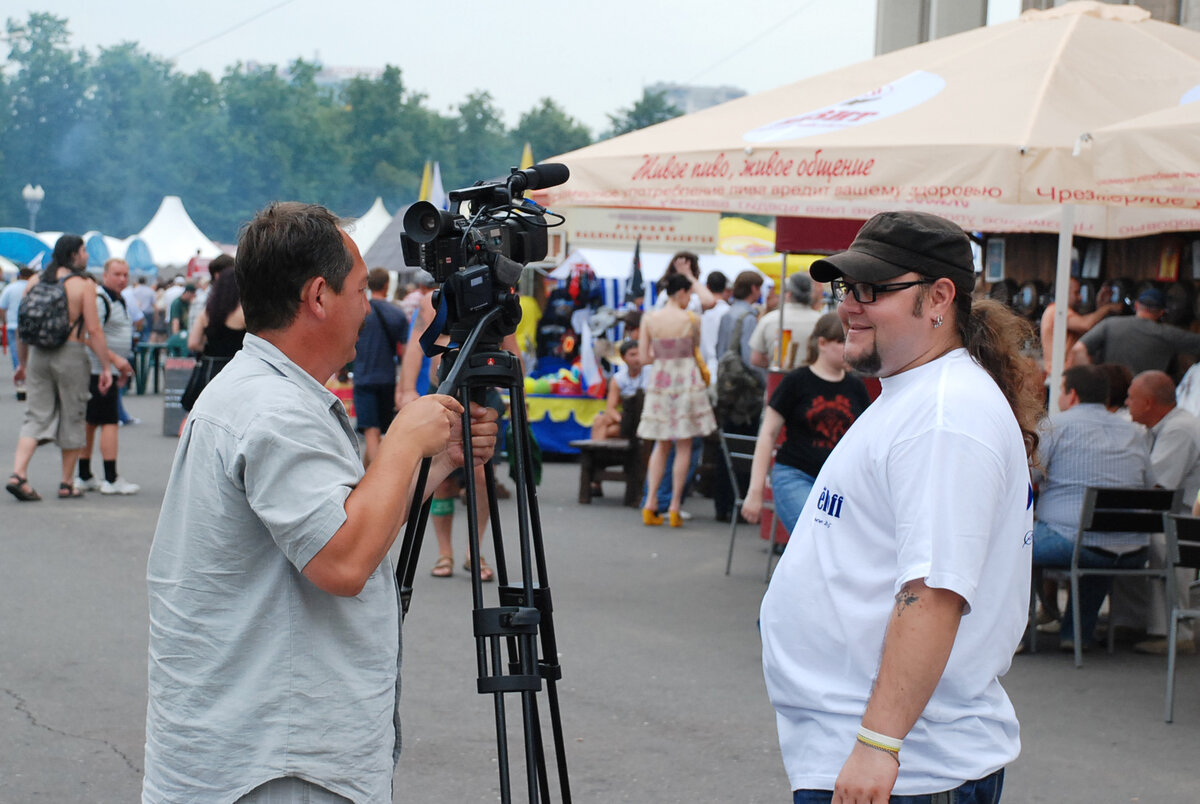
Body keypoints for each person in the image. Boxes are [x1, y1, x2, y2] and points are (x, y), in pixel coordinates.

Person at [143, 202, 497, 802]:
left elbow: (338, 521)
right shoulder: (277, 411)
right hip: (279, 765)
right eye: (360, 290)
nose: (367, 307)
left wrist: (433, 463)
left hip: (253, 749)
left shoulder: (261, 391)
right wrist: (404, 439)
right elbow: (341, 562)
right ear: (318, 296)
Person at [760, 211, 1042, 802]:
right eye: (846, 289)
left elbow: (934, 592)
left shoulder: (945, 414)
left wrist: (879, 744)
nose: (850, 306)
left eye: (874, 290)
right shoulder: (921, 394)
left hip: (909, 768)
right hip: (885, 755)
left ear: (939, 297)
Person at [1032, 364, 1152, 650]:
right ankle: (1075, 636)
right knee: (1097, 542)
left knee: (1011, 545)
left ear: (1071, 395)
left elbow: (1028, 477)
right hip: (1131, 548)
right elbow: (1151, 486)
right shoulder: (1134, 432)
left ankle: (1012, 635)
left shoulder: (1055, 427)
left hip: (1072, 541)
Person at [741, 313, 870, 537]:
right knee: (813, 537)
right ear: (821, 343)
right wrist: (755, 491)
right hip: (795, 475)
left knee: (837, 542)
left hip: (838, 483)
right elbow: (768, 434)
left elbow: (864, 441)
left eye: (850, 339)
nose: (847, 346)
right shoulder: (796, 381)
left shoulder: (856, 387)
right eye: (841, 341)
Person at [7, 235, 112, 502]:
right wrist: (107, 367)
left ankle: (18, 474)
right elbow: (94, 329)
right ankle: (67, 483)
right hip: (70, 354)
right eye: (84, 250)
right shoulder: (83, 284)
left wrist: (22, 363)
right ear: (74, 255)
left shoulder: (34, 280)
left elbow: (22, 328)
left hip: (39, 355)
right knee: (73, 415)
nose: (87, 255)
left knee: (35, 415)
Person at [1125, 370, 1200, 655]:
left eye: (1131, 398)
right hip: (1165, 514)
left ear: (1148, 402)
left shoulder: (1180, 428)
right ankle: (1132, 620)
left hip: (1182, 519)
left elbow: (1158, 485)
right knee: (1118, 540)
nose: (1126, 402)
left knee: (1157, 544)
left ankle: (1175, 631)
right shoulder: (1155, 427)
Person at [636, 272, 717, 527]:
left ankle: (650, 504)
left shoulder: (649, 318)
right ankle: (673, 507)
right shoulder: (691, 319)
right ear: (682, 293)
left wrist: (661, 353)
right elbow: (695, 349)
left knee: (661, 444)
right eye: (688, 294)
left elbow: (644, 358)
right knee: (684, 444)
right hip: (686, 380)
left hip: (661, 380)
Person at [76, 258, 138, 495]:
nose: (122, 278)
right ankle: (110, 478)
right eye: (117, 274)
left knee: (90, 423)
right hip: (99, 369)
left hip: (102, 369)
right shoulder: (102, 299)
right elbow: (91, 335)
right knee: (109, 422)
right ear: (105, 275)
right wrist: (114, 360)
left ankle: (84, 474)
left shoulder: (116, 298)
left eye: (125, 274)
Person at [713, 269, 766, 522]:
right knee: (744, 448)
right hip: (744, 393)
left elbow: (720, 350)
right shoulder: (748, 317)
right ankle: (738, 505)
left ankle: (721, 503)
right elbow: (751, 359)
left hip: (726, 387)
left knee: (725, 447)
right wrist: (763, 384)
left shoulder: (726, 313)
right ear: (754, 289)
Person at [1071, 288, 1200, 377]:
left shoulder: (1110, 324)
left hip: (1110, 396)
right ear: (1162, 312)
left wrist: (1091, 377)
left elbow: (1078, 349)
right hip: (1145, 400)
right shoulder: (1168, 334)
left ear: (1137, 305)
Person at [352, 267, 408, 468]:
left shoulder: (360, 313)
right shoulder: (397, 314)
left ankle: (377, 481)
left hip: (363, 378)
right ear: (386, 285)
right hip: (387, 379)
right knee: (379, 433)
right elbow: (405, 351)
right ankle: (366, 480)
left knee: (371, 433)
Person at [185, 260, 247, 410]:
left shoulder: (206, 313)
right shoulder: (243, 314)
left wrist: (206, 348)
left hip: (210, 367)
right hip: (235, 368)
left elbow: (192, 343)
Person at [1039, 276, 1121, 380]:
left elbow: (1090, 326)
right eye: (1076, 293)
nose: (1081, 297)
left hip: (1065, 374)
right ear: (1064, 293)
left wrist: (1100, 306)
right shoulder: (1057, 311)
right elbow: (1085, 325)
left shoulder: (1060, 311)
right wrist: (1107, 308)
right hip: (1061, 375)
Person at [749, 272, 822, 371]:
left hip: (778, 378)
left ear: (788, 294)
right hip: (811, 379)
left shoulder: (768, 320)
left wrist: (773, 363)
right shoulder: (820, 321)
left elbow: (756, 359)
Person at [590, 339, 645, 441]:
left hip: (646, 417)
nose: (637, 359)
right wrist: (624, 422)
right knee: (599, 421)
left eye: (639, 354)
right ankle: (596, 453)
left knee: (608, 431)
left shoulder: (650, 372)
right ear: (623, 358)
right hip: (627, 418)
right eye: (632, 355)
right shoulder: (618, 379)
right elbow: (610, 408)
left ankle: (595, 454)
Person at [0, 265, 34, 398]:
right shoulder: (34, 287)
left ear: (19, 275)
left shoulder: (10, 288)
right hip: (31, 326)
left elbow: (2, 307)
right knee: (31, 353)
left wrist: (5, 321)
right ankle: (30, 379)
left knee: (16, 353)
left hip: (13, 325)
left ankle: (20, 380)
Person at [699, 270, 731, 379]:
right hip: (721, 370)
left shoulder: (699, 311)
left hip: (700, 368)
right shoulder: (729, 312)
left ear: (707, 287)